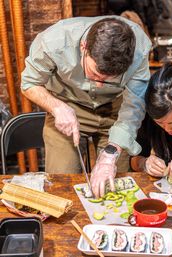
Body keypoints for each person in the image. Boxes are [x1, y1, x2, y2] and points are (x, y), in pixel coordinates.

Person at [21, 16, 152, 198]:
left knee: (116, 186)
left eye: (109, 79)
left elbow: (135, 103)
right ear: (84, 47)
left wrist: (110, 155)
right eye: (95, 74)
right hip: (67, 105)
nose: (99, 85)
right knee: (61, 184)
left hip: (116, 109)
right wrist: (57, 107)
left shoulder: (140, 48)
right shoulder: (54, 41)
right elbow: (29, 84)